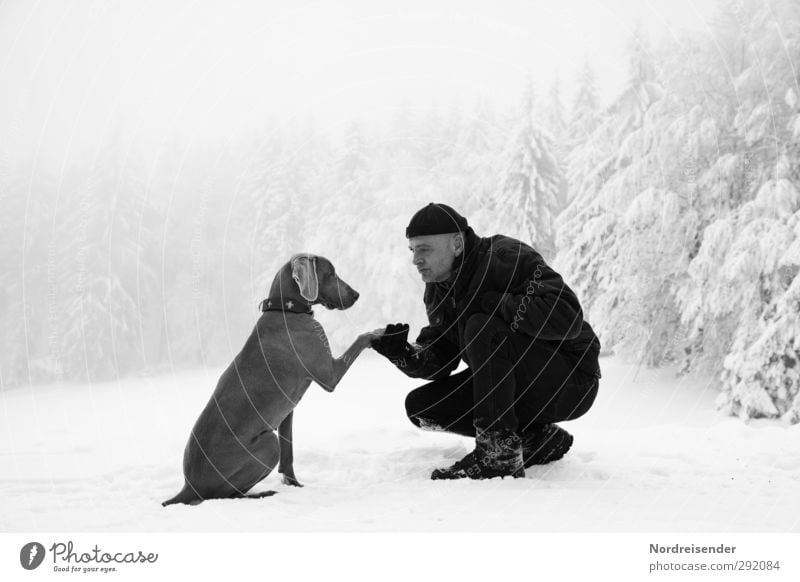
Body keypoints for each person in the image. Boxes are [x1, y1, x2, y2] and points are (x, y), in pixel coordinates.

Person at [371, 202, 601, 480]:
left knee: (482, 325)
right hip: (516, 384)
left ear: (457, 244)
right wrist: (405, 354)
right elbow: (441, 357)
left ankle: (497, 454)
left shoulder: (505, 258)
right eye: (413, 250)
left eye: (424, 249)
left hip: (570, 380)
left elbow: (567, 316)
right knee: (423, 409)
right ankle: (535, 440)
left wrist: (495, 303)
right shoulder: (439, 289)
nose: (415, 260)